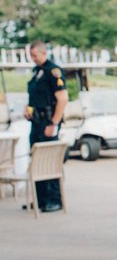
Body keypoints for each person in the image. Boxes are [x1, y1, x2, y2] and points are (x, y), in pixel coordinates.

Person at [25, 39, 67, 211]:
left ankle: (55, 199)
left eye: (35, 55)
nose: (33, 58)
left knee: (49, 161)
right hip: (36, 123)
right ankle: (40, 199)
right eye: (31, 55)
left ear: (44, 53)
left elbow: (62, 99)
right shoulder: (37, 72)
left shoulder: (53, 71)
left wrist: (54, 124)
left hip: (48, 123)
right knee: (37, 161)